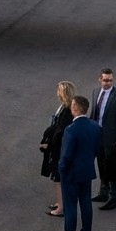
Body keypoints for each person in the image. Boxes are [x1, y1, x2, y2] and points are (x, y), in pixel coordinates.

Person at [53, 95, 101, 231]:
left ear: (75, 108)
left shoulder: (71, 129)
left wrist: (61, 170)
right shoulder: (95, 126)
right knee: (86, 204)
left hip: (71, 174)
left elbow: (66, 156)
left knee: (70, 206)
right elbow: (97, 149)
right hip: (87, 171)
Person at [90, 67, 116, 210]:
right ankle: (103, 192)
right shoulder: (95, 92)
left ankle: (113, 198)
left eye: (110, 80)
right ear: (100, 79)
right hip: (97, 135)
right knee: (101, 164)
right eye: (105, 80)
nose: (108, 83)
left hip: (111, 139)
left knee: (112, 168)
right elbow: (93, 114)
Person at [42, 81, 77, 217]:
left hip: (60, 149)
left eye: (60, 90)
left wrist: (50, 144)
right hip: (59, 147)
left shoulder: (67, 110)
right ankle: (60, 202)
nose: (58, 93)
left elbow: (60, 130)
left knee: (58, 179)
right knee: (59, 178)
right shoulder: (65, 107)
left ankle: (61, 208)